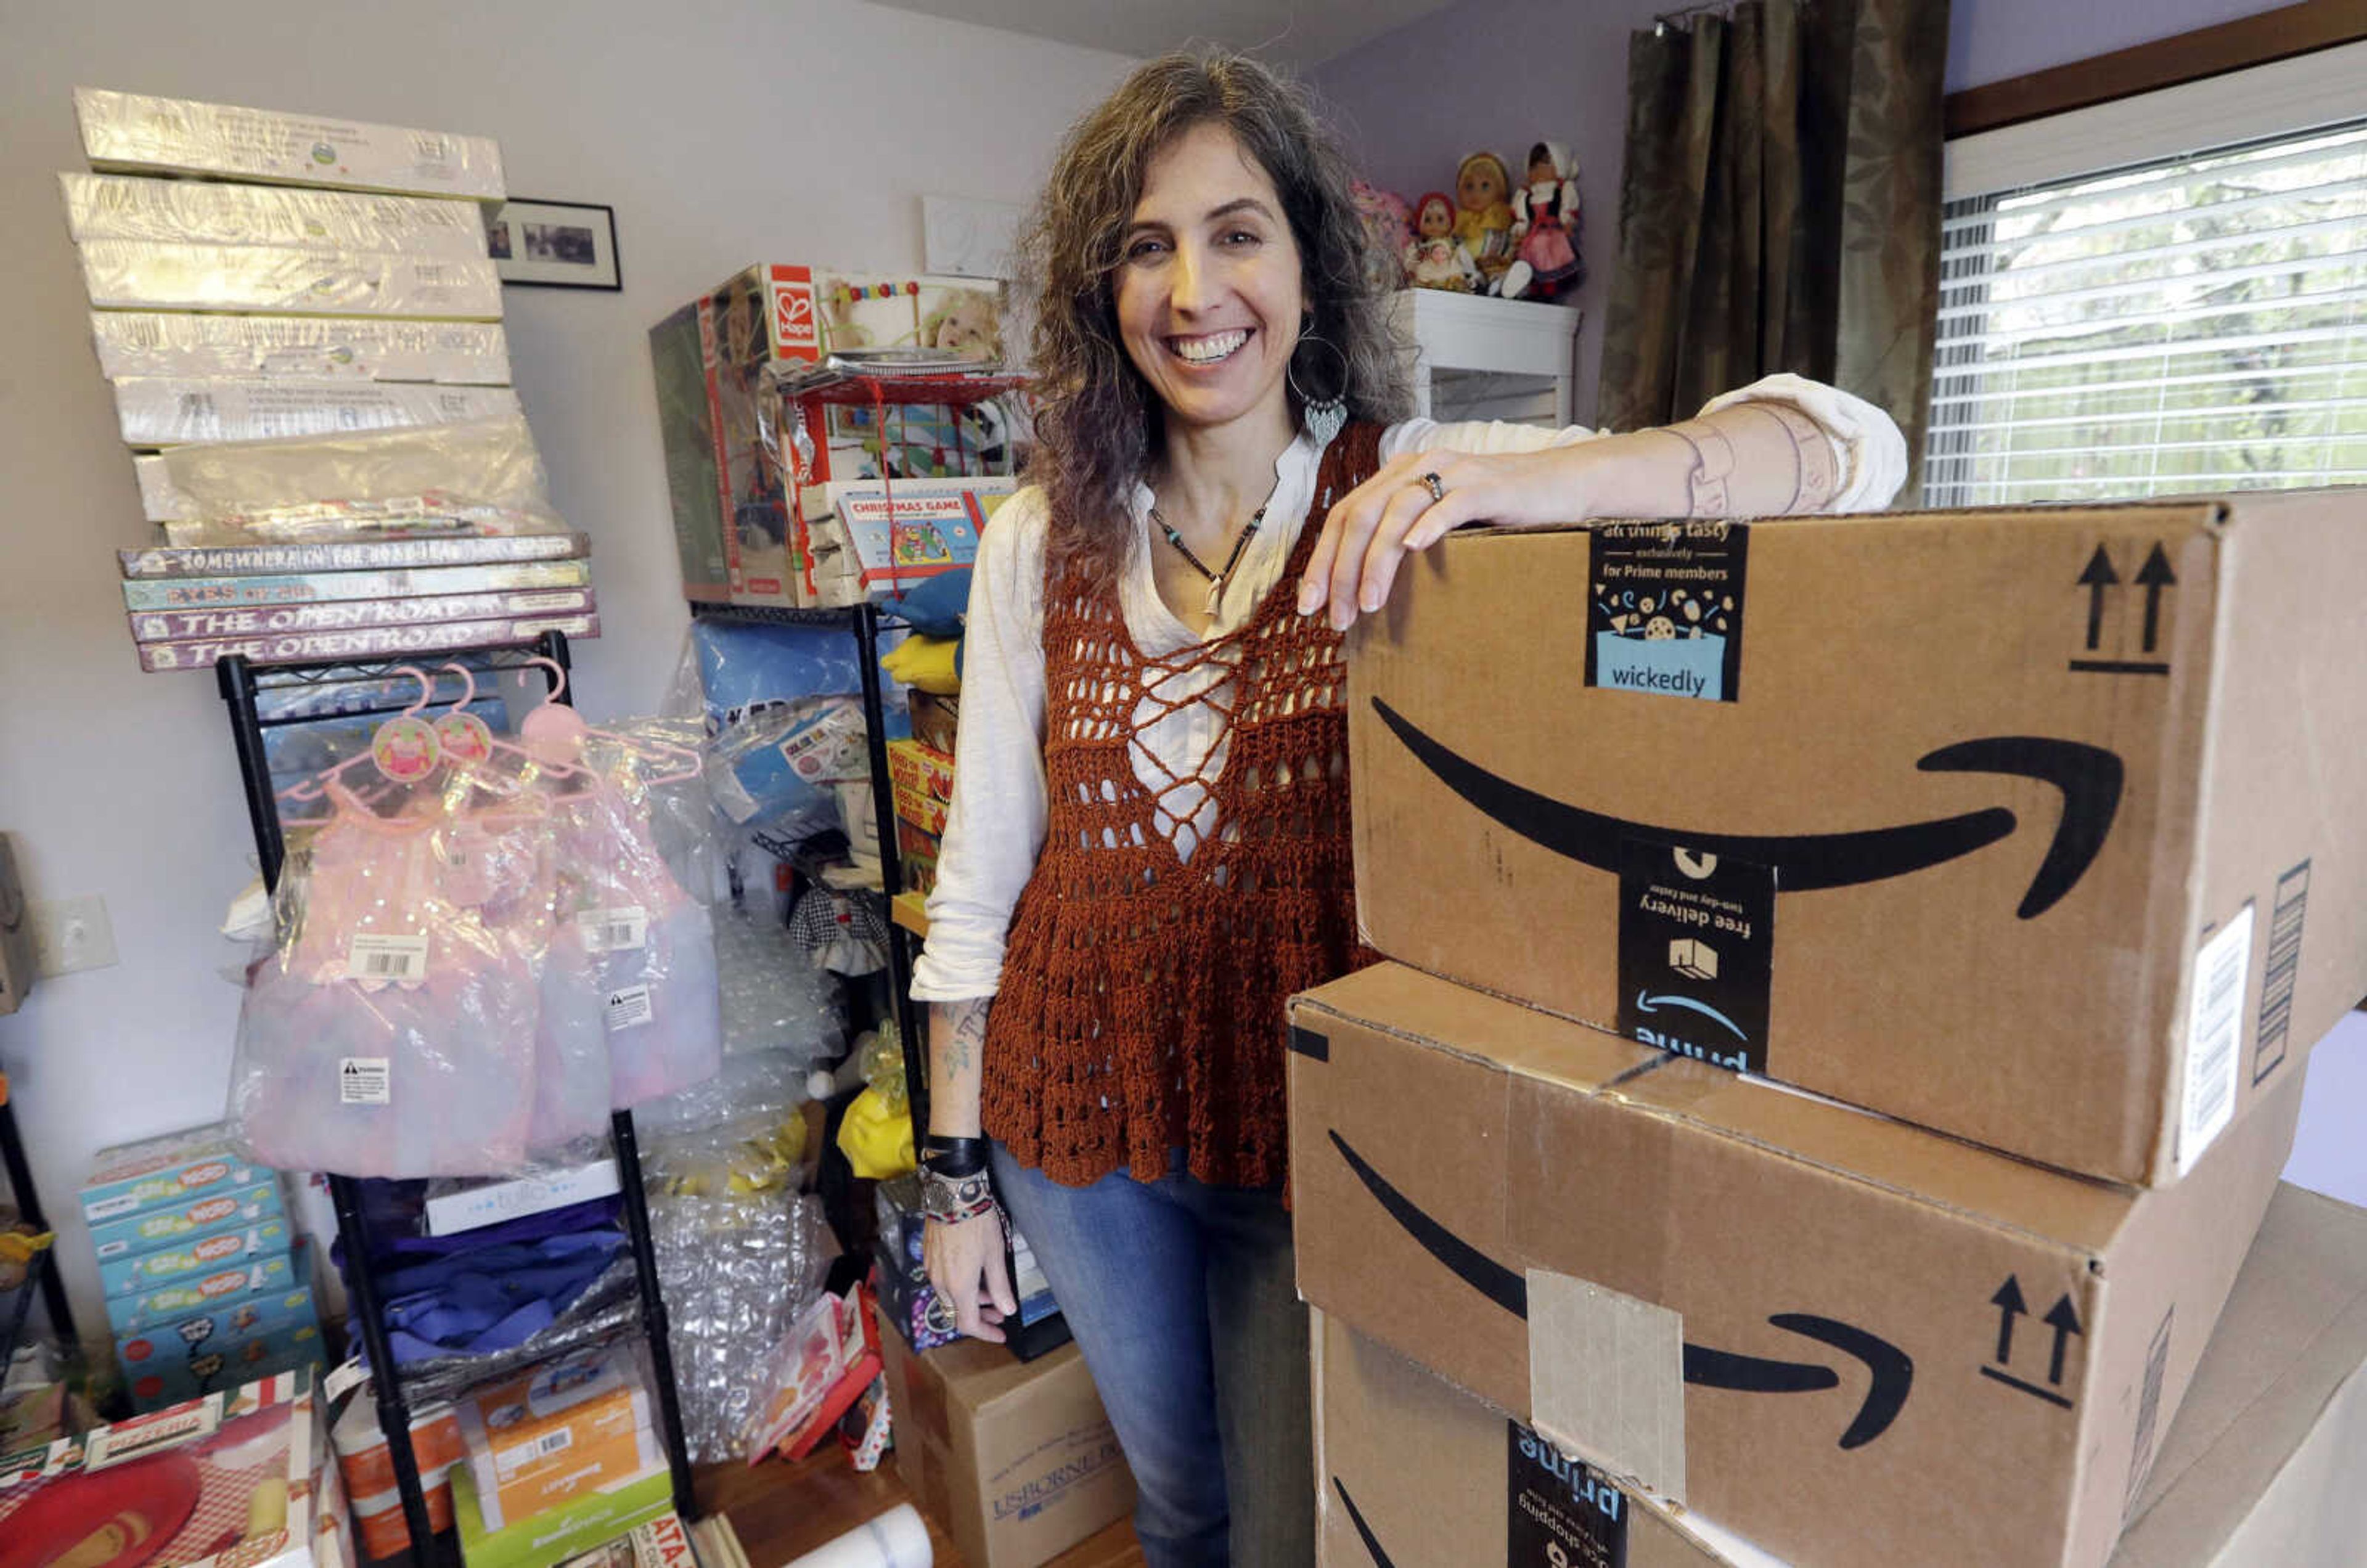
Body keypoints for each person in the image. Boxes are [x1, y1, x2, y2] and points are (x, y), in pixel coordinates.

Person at [911, 50, 1906, 1568]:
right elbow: (979, 890)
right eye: (1146, 245)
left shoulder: (1424, 481)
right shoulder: (1038, 538)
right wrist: (954, 1182)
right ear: (1101, 294)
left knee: (1303, 1530)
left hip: (1323, 1131)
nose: (1195, 290)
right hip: (1079, 1125)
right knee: (1179, 1510)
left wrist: (1546, 491)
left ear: (1311, 266)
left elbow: (1851, 449)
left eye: (1239, 232)